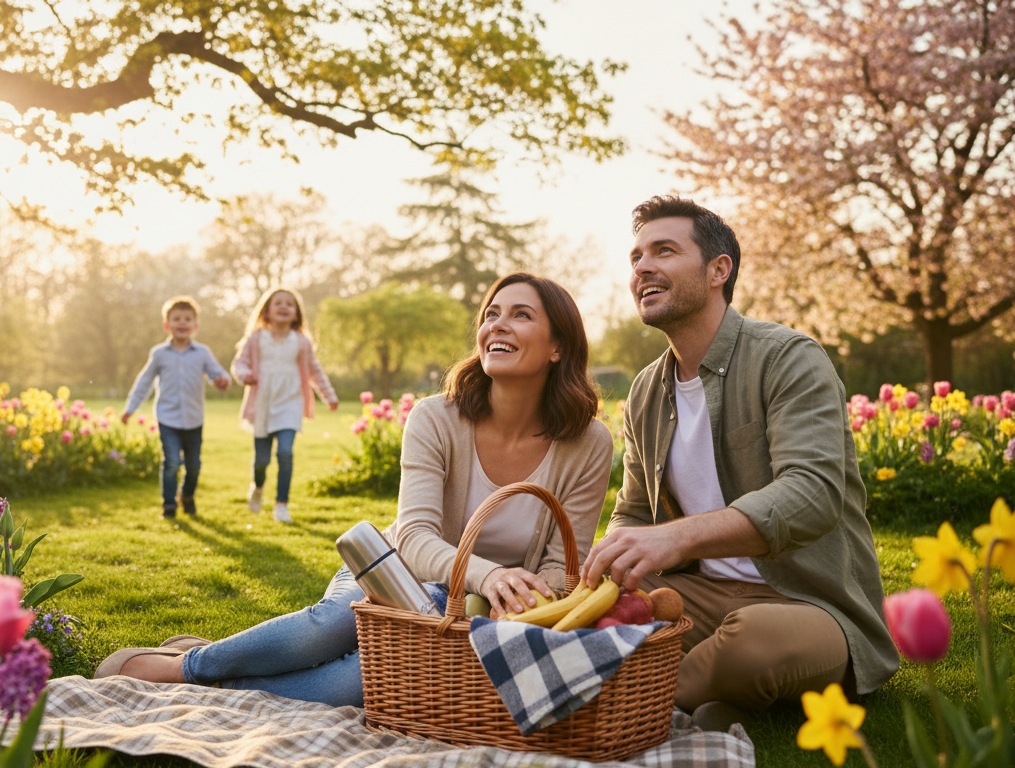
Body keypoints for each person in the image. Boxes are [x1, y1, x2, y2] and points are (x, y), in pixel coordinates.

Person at [95, 273, 614, 709]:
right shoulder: (437, 417)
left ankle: (208, 675)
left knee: (358, 683)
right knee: (327, 631)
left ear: (558, 347)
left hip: (482, 610)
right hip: (396, 569)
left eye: (521, 315)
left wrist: (525, 605)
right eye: (491, 314)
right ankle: (189, 666)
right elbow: (412, 536)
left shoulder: (588, 442)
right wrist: (490, 572)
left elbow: (563, 563)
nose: (497, 324)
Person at [583, 196, 898, 732]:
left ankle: (617, 700)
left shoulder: (788, 358)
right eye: (636, 257)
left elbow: (810, 494)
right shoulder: (645, 391)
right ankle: (710, 704)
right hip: (698, 595)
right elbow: (634, 512)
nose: (642, 268)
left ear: (717, 270)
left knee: (750, 648)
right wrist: (615, 559)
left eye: (664, 250)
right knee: (583, 609)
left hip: (807, 602)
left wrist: (677, 539)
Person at [230, 287, 338, 524]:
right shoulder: (256, 339)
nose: (283, 307)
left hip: (290, 403)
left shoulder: (300, 342)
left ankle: (281, 505)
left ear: (296, 313)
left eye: (289, 304)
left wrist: (328, 395)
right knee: (262, 461)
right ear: (267, 310)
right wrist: (245, 374)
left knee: (285, 452)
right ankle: (258, 487)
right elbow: (240, 363)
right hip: (262, 405)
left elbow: (315, 371)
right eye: (278, 303)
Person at [122, 296, 232, 519]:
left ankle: (188, 495)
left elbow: (217, 373)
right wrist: (130, 408)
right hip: (168, 418)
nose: (182, 323)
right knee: (171, 462)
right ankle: (169, 504)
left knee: (193, 466)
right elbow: (144, 382)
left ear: (195, 326)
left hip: (194, 418)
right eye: (177, 319)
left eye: (188, 319)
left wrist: (222, 380)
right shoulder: (159, 354)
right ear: (167, 325)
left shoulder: (202, 352)